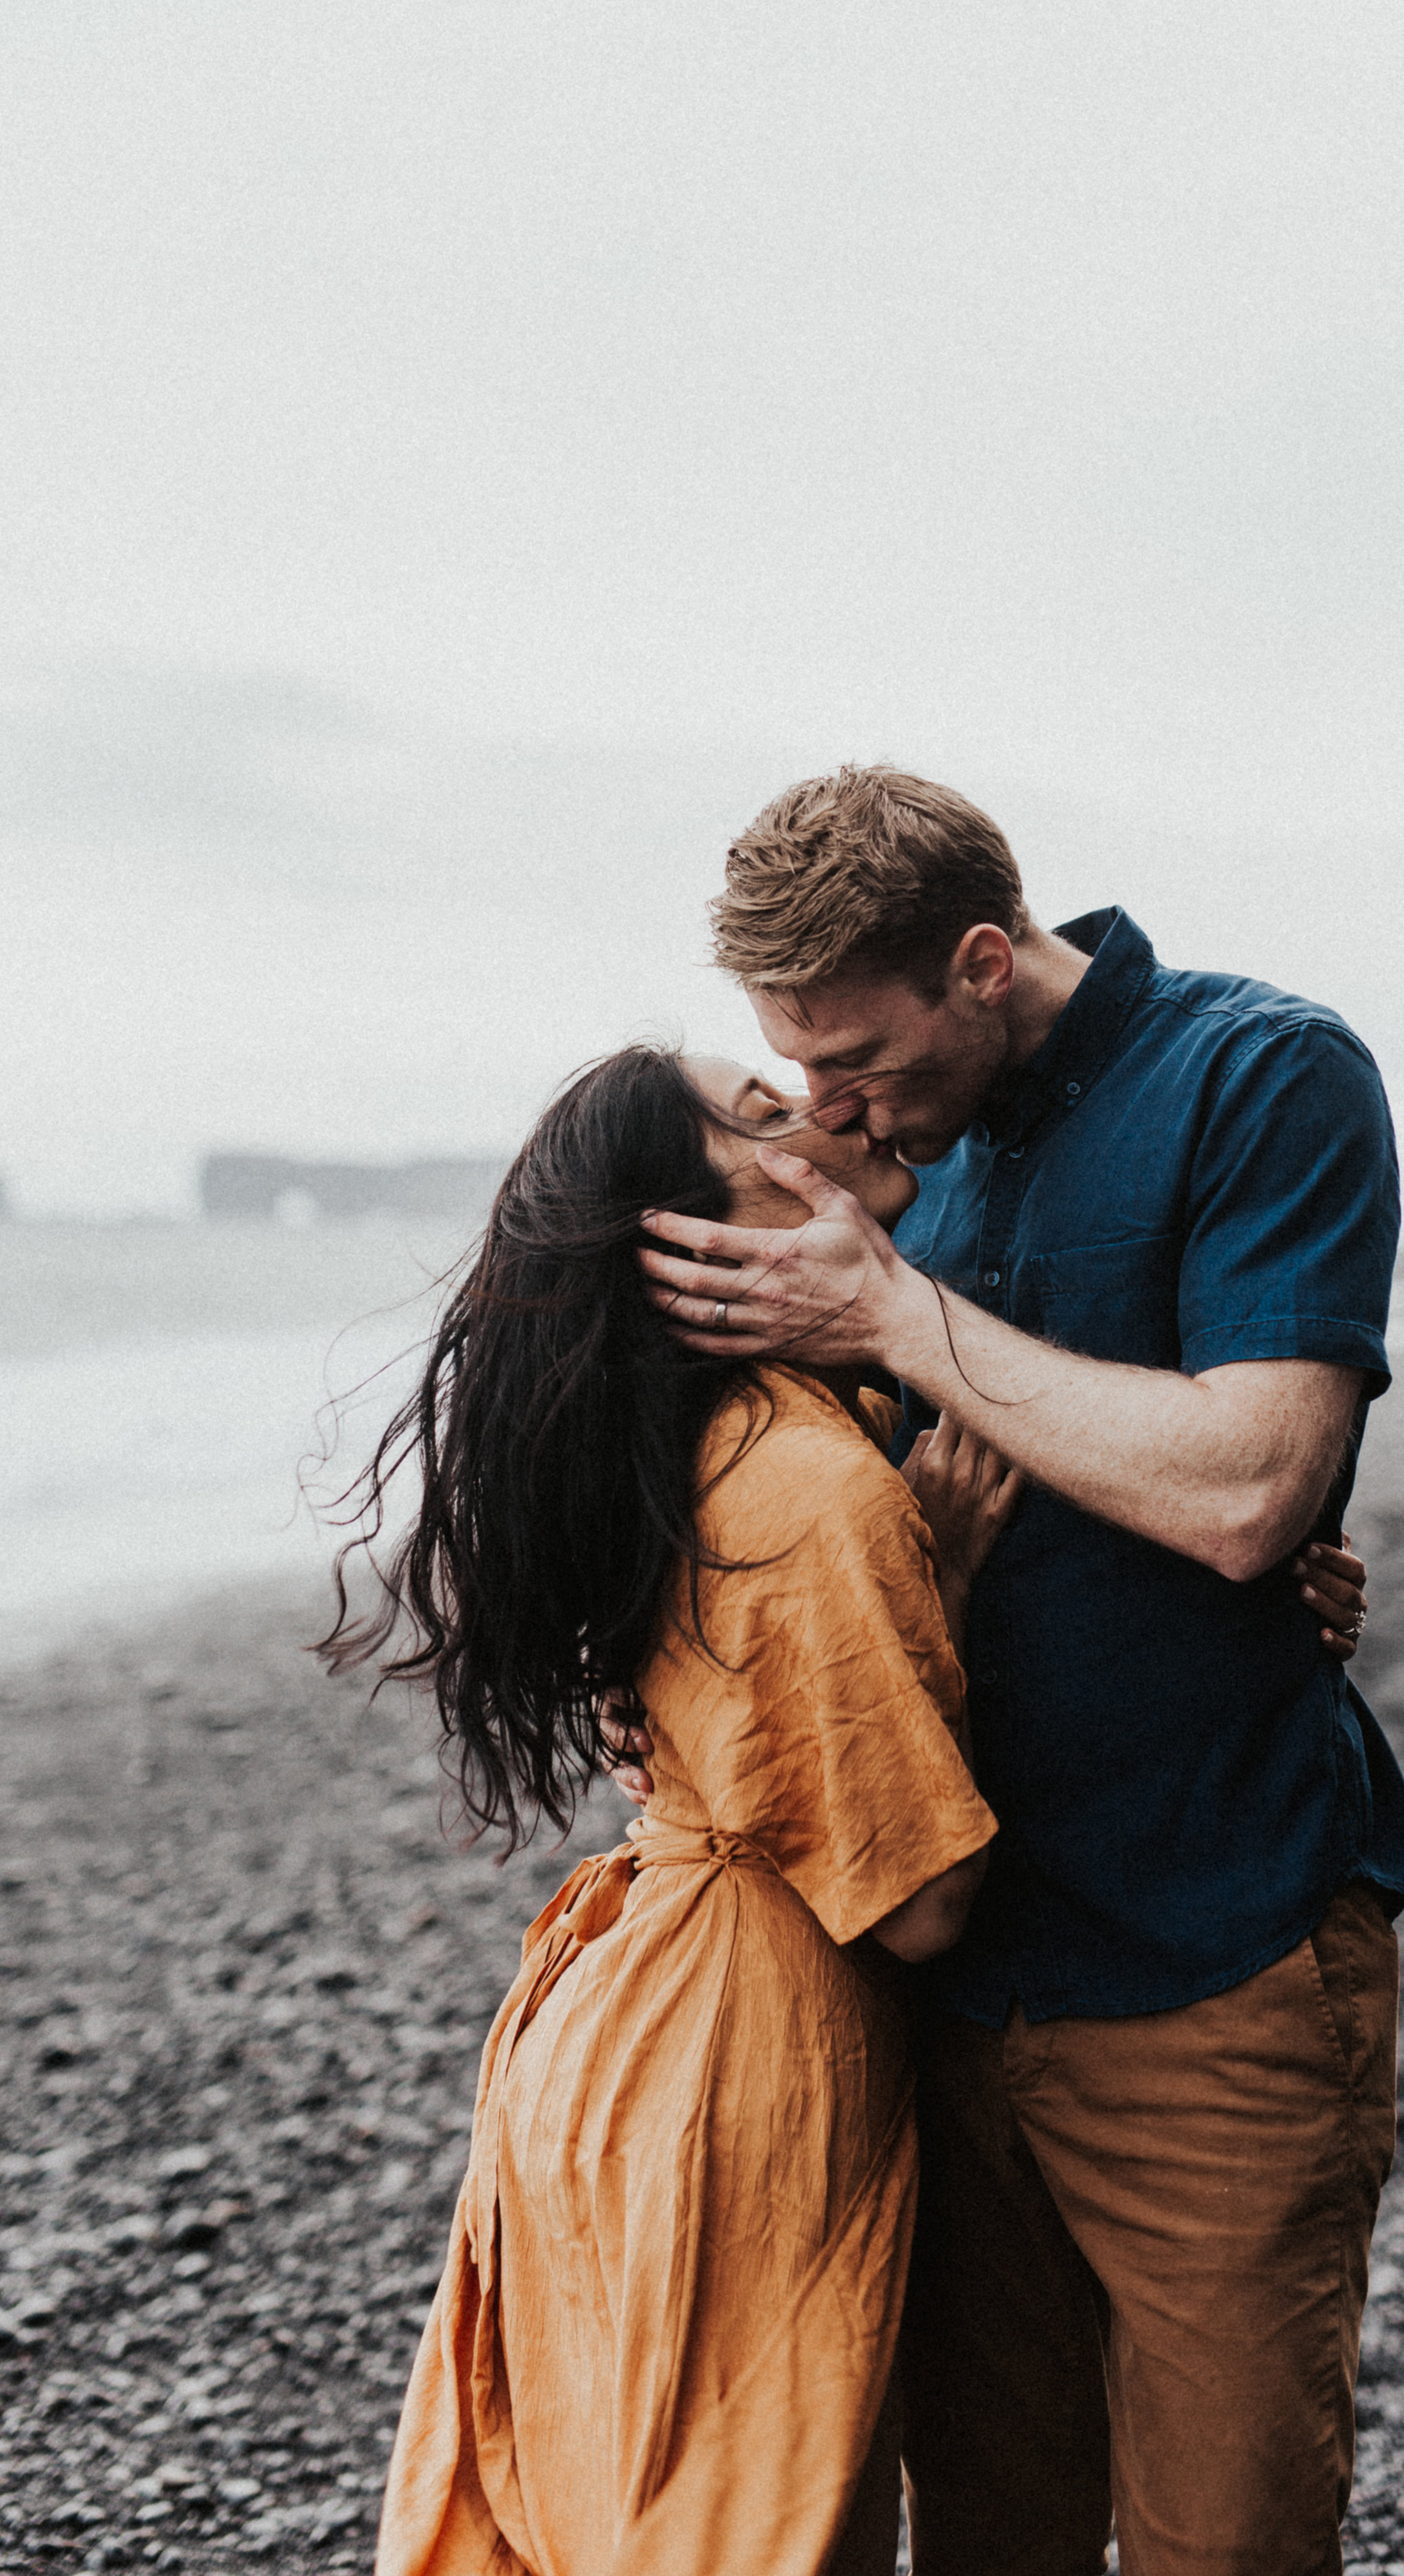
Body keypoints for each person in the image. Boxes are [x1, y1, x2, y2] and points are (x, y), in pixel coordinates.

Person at [634, 764, 1404, 2576]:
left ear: (984, 961)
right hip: (926, 1989)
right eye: (790, 1062)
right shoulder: (885, 1170)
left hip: (1212, 1952)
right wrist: (662, 1688)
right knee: (988, 2531)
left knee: (1223, 2535)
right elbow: (755, 1506)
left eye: (854, 1057)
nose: (827, 1109)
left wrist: (895, 1313)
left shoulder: (1259, 1075)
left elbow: (1246, 1485)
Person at [323, 1046, 1008, 2576]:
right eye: (764, 1117)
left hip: (628, 2037)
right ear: (694, 1243)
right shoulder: (806, 1492)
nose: (817, 1105)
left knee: (612, 2506)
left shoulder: (711, 1445)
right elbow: (921, 1904)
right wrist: (938, 1586)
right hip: (729, 2063)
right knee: (745, 2521)